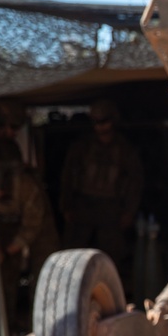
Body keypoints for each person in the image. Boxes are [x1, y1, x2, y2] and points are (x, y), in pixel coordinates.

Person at [0, 101, 60, 336]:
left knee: (44, 272)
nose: (11, 132)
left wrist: (9, 249)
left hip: (34, 222)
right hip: (5, 222)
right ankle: (0, 333)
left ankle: (40, 331)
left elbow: (33, 223)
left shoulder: (25, 186)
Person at [59, 99, 144, 266]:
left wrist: (129, 211)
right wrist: (66, 206)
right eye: (96, 122)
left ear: (113, 121)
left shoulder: (124, 149)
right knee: (73, 255)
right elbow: (67, 177)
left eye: (104, 121)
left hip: (111, 208)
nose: (100, 127)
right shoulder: (82, 147)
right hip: (83, 205)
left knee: (111, 257)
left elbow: (135, 182)